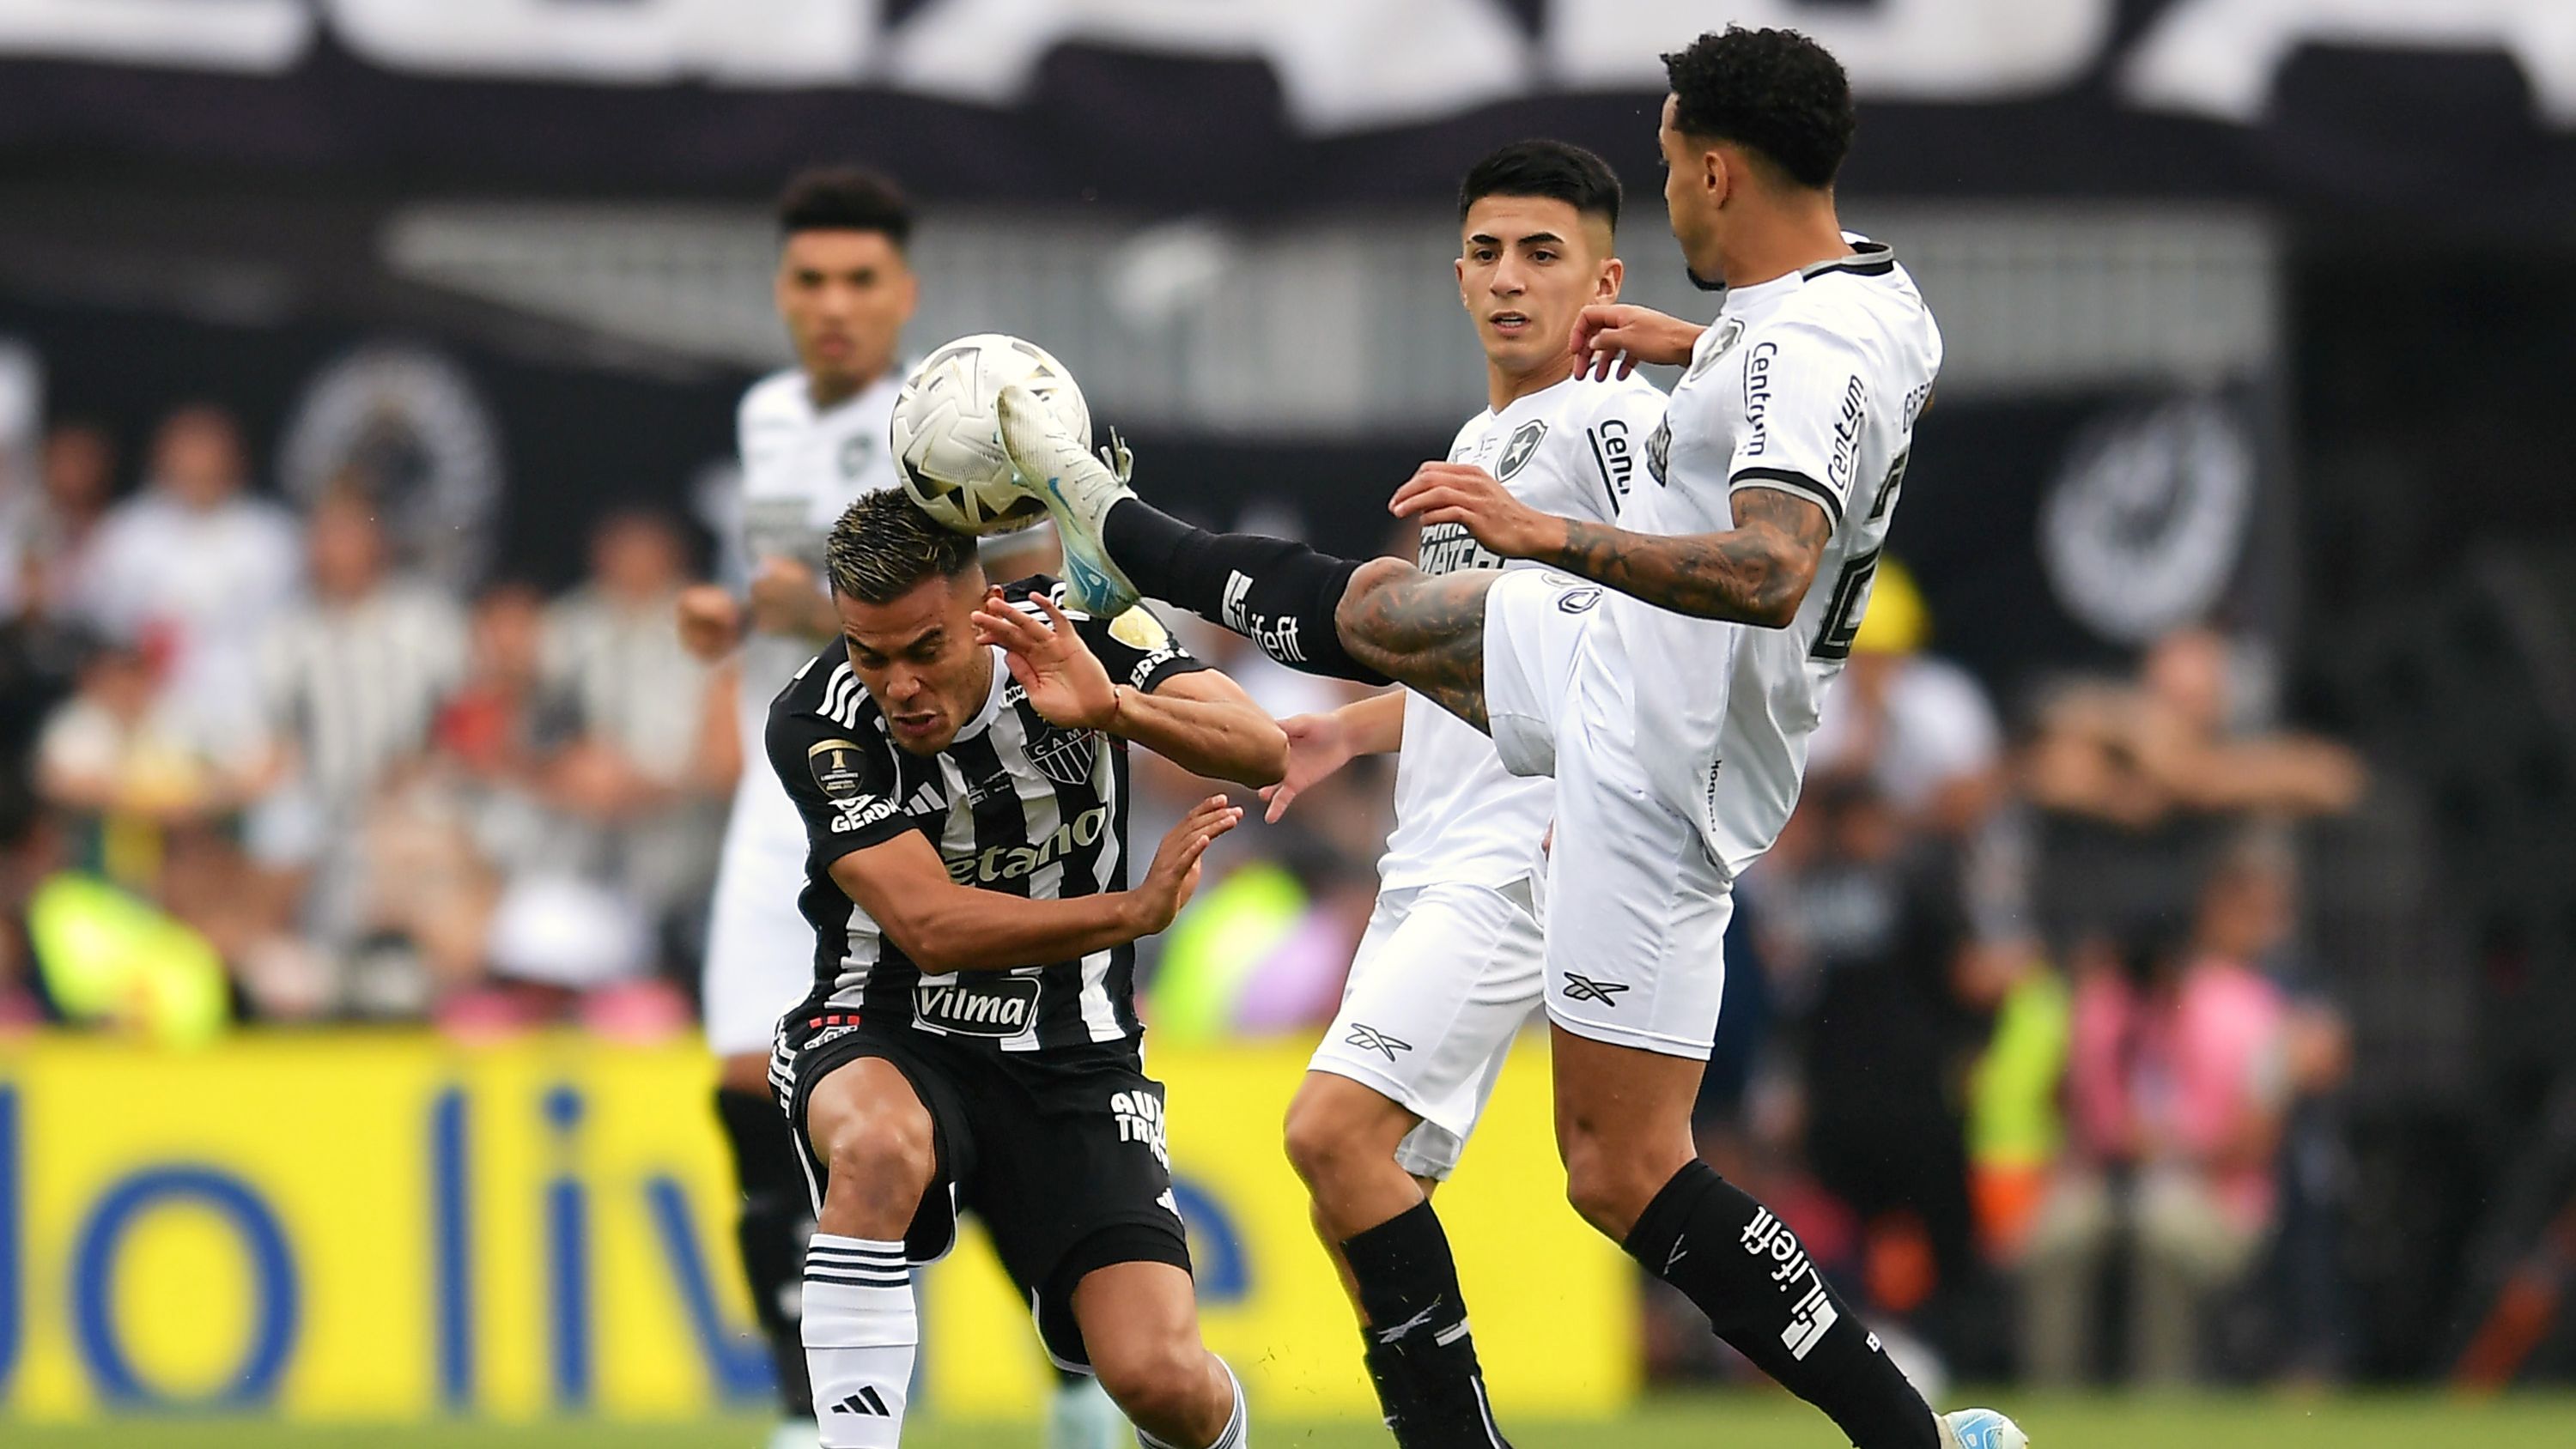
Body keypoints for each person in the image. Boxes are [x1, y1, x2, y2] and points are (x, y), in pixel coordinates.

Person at [982, 26, 2019, 1449]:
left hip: (1647, 730)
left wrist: (1544, 535)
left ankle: (1113, 526)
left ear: (1716, 173)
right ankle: (1918, 1437)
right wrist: (1709, 348)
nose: (1667, 193)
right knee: (1618, 1169)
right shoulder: (1865, 299)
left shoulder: (1711, 379)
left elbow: (1774, 563)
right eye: (1488, 252)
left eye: (1668, 166)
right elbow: (1852, 380)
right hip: (1668, 731)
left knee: (1378, 613)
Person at [1256, 138, 1664, 1447]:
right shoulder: (1481, 441)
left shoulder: (1610, 421)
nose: (1508, 278)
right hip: (1425, 852)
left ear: (1605, 281)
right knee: (1356, 1189)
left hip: (1515, 851)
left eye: (1543, 253)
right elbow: (1494, 663)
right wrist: (1349, 730)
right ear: (1457, 273)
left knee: (1331, 1136)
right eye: (1486, 252)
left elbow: (1676, 614)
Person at [764, 491, 1283, 1449]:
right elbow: (930, 925)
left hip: (1074, 1051)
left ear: (982, 605)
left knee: (1161, 1380)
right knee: (876, 1144)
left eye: (926, 648)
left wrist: (1113, 706)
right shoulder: (817, 716)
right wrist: (1131, 912)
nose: (899, 685)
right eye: (871, 654)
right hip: (886, 1024)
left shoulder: (1085, 628)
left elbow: (1263, 749)